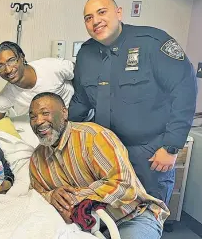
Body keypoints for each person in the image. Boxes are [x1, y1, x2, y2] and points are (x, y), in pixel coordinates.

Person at [68, 0, 197, 210]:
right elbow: (82, 100)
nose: (95, 21)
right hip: (108, 152)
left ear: (118, 12)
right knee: (110, 213)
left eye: (102, 12)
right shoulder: (86, 54)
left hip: (150, 153)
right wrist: (61, 126)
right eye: (88, 18)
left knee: (149, 215)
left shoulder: (152, 43)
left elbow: (184, 90)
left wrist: (171, 147)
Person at [28, 92, 169, 239]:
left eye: (45, 113)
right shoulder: (37, 160)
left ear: (64, 113)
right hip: (83, 229)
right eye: (32, 117)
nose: (38, 121)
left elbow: (124, 184)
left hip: (131, 217)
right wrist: (51, 196)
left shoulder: (94, 137)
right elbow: (35, 196)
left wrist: (74, 199)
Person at [0, 41, 75, 128]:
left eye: (11, 60)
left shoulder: (53, 67)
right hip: (52, 127)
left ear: (22, 57)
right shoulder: (6, 96)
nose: (8, 70)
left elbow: (84, 76)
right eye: (0, 66)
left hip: (78, 117)